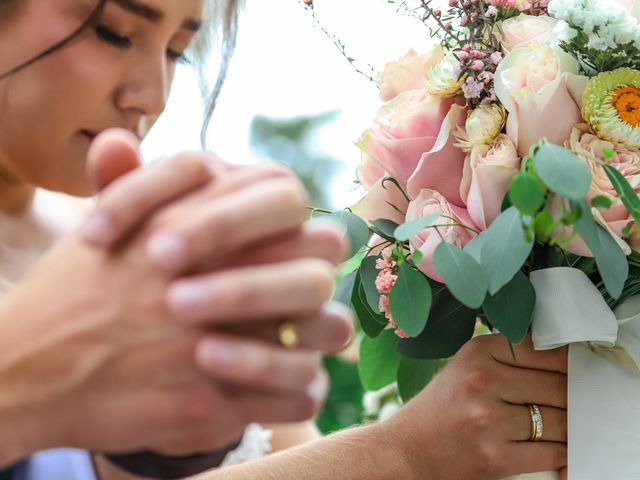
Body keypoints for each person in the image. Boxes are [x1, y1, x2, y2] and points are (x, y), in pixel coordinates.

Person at [0, 0, 568, 479]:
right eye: (113, 33)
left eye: (176, 52)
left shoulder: (139, 250)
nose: (150, 95)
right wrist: (404, 453)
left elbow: (294, 454)